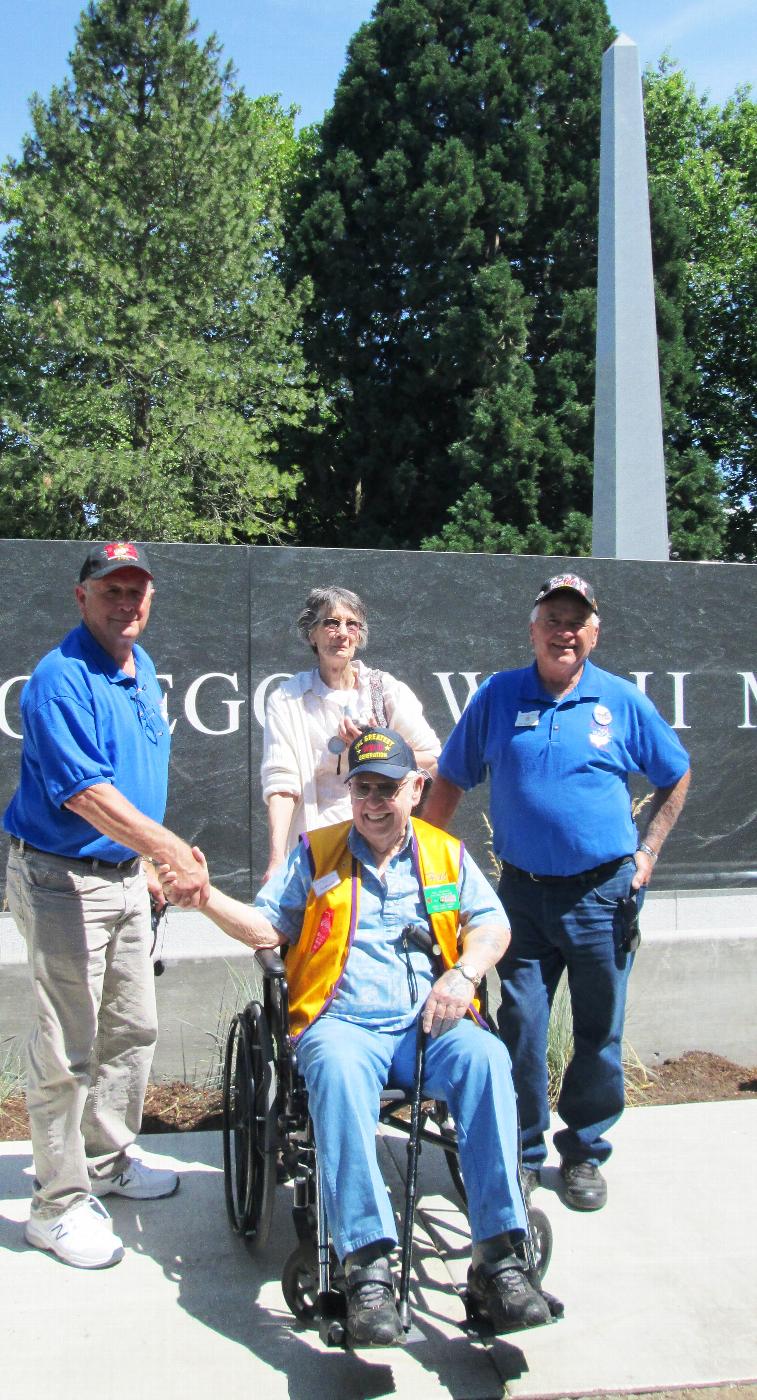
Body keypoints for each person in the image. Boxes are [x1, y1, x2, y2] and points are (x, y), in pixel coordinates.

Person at [162, 727, 553, 1346]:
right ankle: (366, 1267)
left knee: (486, 1058)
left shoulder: (444, 853)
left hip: (431, 1022)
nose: (373, 801)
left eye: (387, 788)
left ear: (415, 788)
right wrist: (207, 899)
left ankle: (500, 1258)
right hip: (343, 1024)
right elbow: (267, 925)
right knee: (337, 1074)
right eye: (362, 787)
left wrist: (464, 972)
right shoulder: (315, 854)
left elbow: (491, 922)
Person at [423, 574, 691, 1212]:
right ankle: (518, 1152)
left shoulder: (621, 702)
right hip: (520, 898)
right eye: (553, 619)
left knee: (600, 1030)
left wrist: (647, 852)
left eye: (576, 621)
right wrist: (423, 866)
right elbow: (450, 781)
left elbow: (675, 774)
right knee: (520, 1026)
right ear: (533, 629)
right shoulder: (497, 697)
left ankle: (586, 1152)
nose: (564, 631)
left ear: (593, 633)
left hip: (604, 897)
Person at [3, 541, 210, 1270]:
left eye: (136, 591)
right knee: (68, 1048)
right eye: (111, 590)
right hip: (62, 880)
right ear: (80, 596)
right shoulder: (60, 680)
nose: (126, 603)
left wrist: (143, 862)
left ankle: (109, 1159)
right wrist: (170, 852)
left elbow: (135, 776)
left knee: (133, 1029)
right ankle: (54, 1206)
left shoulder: (138, 667)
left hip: (121, 877)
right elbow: (86, 795)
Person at [261, 586, 440, 881]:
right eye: (331, 623)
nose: (342, 633)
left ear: (359, 636)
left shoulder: (387, 690)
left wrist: (375, 747)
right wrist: (277, 859)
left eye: (351, 624)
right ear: (311, 634)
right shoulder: (286, 698)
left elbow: (433, 759)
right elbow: (282, 783)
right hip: (315, 851)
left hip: (382, 850)